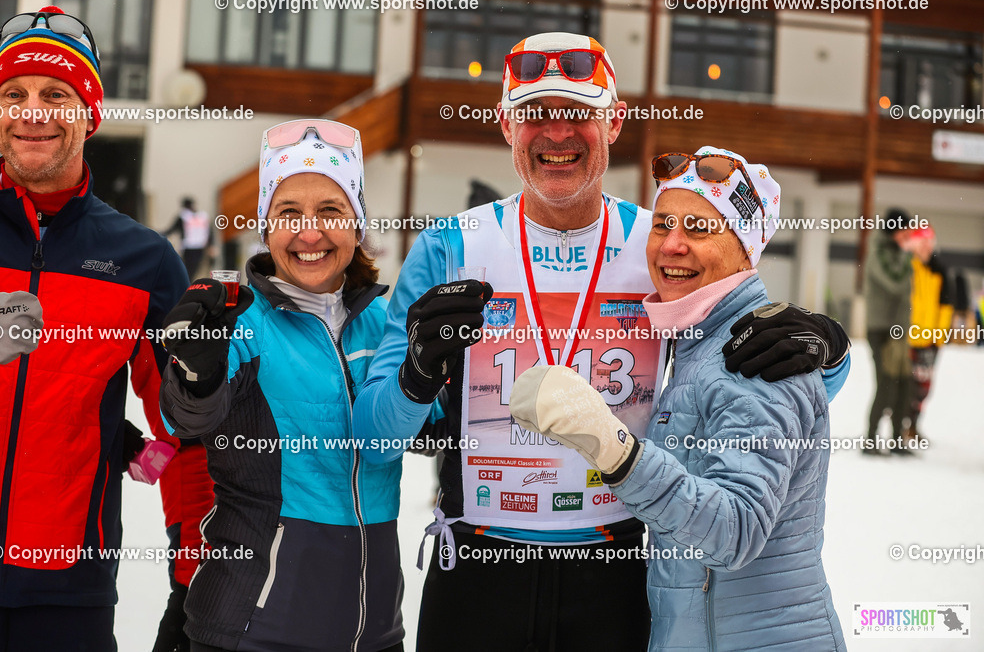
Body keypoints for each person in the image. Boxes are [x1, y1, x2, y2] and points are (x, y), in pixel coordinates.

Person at [352, 32, 851, 651]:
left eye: (579, 115)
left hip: (615, 572)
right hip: (478, 570)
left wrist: (825, 349)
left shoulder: (658, 244)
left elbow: (751, 368)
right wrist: (415, 380)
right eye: (535, 113)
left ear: (613, 122)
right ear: (508, 127)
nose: (557, 134)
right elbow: (374, 441)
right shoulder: (451, 247)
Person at [510, 148, 846, 651]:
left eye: (698, 228)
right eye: (663, 223)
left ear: (745, 247)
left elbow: (736, 529)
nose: (672, 245)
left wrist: (612, 448)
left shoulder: (751, 354)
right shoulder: (698, 342)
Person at [0, 7, 212, 651]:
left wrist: (192, 583)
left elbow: (186, 432)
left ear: (89, 114)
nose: (32, 111)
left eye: (56, 95)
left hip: (68, 589)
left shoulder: (145, 261)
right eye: (13, 94)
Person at [159, 120, 405, 652]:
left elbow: (430, 430)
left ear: (358, 224)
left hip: (375, 632)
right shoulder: (244, 323)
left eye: (331, 211)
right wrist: (195, 372)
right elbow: (188, 415)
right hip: (252, 630)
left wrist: (431, 374)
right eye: (289, 212)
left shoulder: (385, 322)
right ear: (266, 227)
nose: (309, 232)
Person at [865, 207, 915, 455]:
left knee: (904, 384)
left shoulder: (897, 252)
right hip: (882, 329)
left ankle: (897, 438)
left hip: (898, 329)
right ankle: (870, 439)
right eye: (904, 229)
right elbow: (895, 283)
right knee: (886, 384)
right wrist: (907, 257)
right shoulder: (879, 253)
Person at [907, 225, 952, 441]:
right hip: (907, 338)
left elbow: (945, 307)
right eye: (921, 242)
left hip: (930, 340)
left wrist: (939, 337)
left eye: (929, 243)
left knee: (923, 388)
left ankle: (913, 426)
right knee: (904, 385)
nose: (925, 247)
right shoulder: (907, 268)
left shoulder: (940, 271)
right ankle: (901, 426)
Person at [164, 196, 215, 278]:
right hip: (197, 247)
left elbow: (171, 230)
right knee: (191, 270)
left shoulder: (185, 216)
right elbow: (209, 232)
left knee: (190, 270)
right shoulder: (202, 216)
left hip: (191, 247)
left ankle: (188, 285)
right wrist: (211, 245)